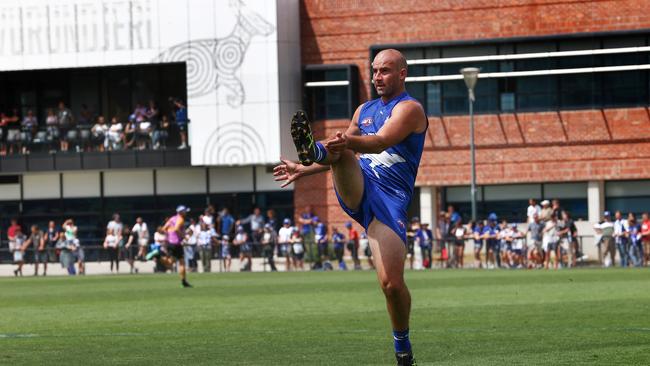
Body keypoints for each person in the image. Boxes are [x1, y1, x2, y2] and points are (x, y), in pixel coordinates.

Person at [274, 49, 426, 365]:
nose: (377, 77)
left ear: (402, 74)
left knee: (392, 285)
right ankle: (309, 151)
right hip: (360, 183)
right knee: (341, 153)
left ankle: (402, 346)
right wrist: (306, 168)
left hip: (390, 199)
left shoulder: (410, 109)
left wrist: (341, 142)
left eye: (385, 71)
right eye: (374, 71)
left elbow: (380, 142)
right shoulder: (363, 110)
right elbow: (344, 150)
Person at [163, 205, 192, 287]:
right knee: (181, 263)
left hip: (170, 243)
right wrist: (183, 236)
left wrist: (168, 237)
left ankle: (158, 256)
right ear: (181, 212)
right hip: (176, 243)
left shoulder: (172, 218)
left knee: (170, 263)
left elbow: (164, 228)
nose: (186, 212)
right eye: (185, 211)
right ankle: (184, 282)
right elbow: (176, 229)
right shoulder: (181, 219)